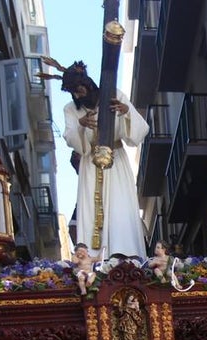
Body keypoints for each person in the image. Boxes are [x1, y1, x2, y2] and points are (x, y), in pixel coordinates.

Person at [59, 61, 149, 261]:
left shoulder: (113, 94)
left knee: (120, 207)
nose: (77, 95)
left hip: (116, 160)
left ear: (88, 84)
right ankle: (94, 261)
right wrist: (81, 126)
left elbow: (140, 132)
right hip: (90, 164)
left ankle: (126, 258)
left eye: (79, 89)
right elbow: (71, 139)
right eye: (73, 92)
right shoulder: (71, 109)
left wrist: (126, 112)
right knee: (91, 209)